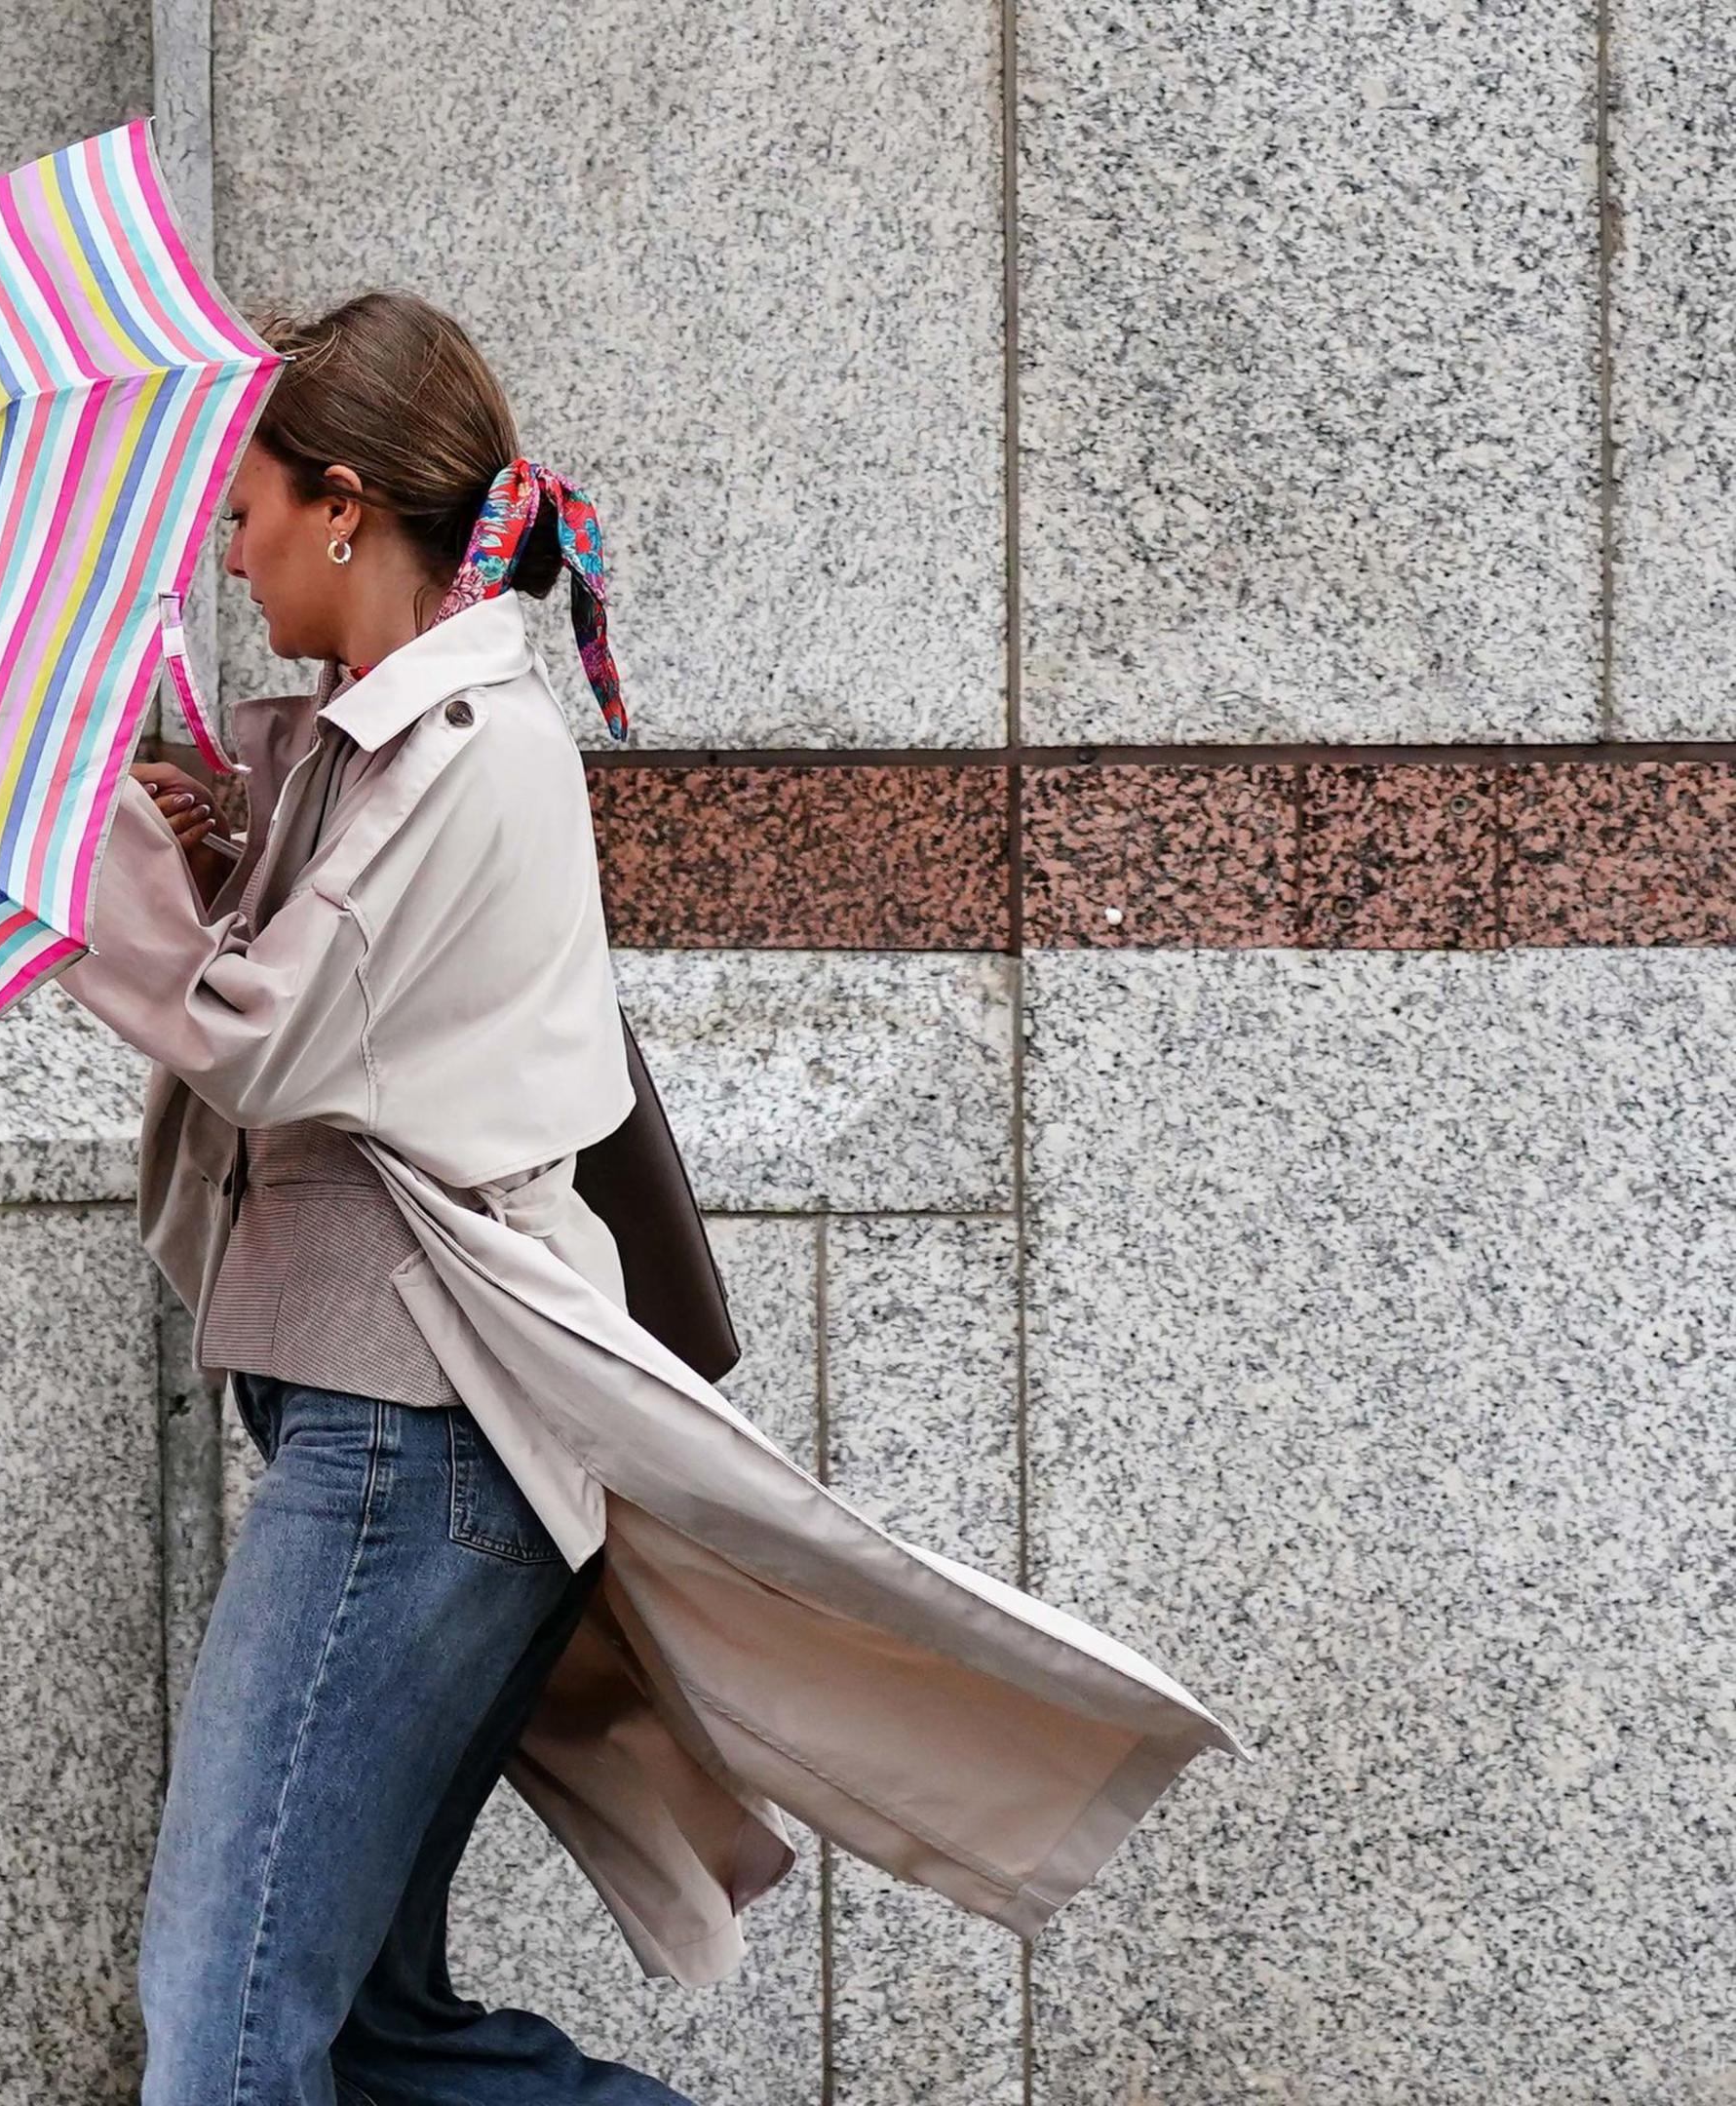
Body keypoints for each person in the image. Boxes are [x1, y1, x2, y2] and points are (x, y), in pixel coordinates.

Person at [62, 292, 1229, 2105]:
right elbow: (333, 1013)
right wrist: (216, 837)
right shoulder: (390, 747)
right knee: (367, 2033)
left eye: (248, 508)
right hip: (394, 1432)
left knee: (223, 2033)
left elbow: (265, 1042)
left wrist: (82, 853)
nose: (235, 550)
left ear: (348, 504)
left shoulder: (472, 750)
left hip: (409, 1441)